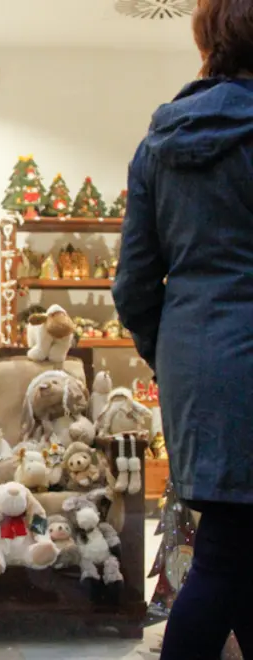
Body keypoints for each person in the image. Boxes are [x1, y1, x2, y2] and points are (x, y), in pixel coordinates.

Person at [113, 1, 253, 658]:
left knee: (235, 548)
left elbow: (135, 284)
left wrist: (171, 357)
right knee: (228, 558)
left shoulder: (159, 146)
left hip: (198, 370)